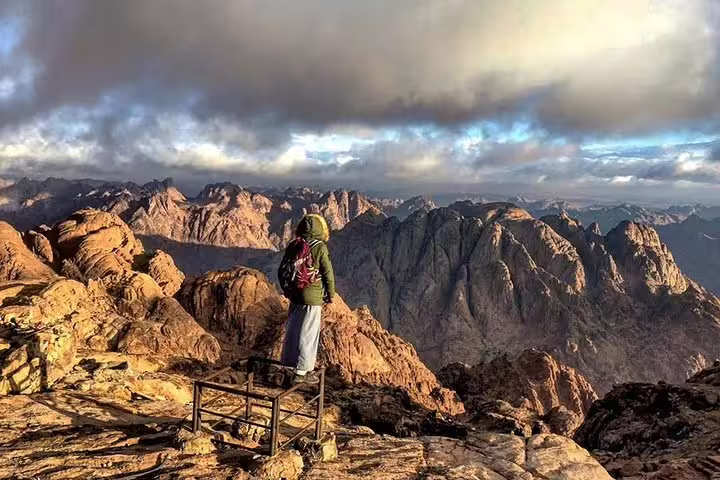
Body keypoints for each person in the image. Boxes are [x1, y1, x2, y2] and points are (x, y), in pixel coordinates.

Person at [278, 213, 335, 385]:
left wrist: (288, 290)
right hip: (312, 297)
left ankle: (289, 364)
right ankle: (301, 373)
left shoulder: (294, 245)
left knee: (293, 329)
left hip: (295, 296)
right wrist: (330, 294)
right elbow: (328, 273)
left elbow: (282, 271)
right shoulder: (320, 247)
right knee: (308, 334)